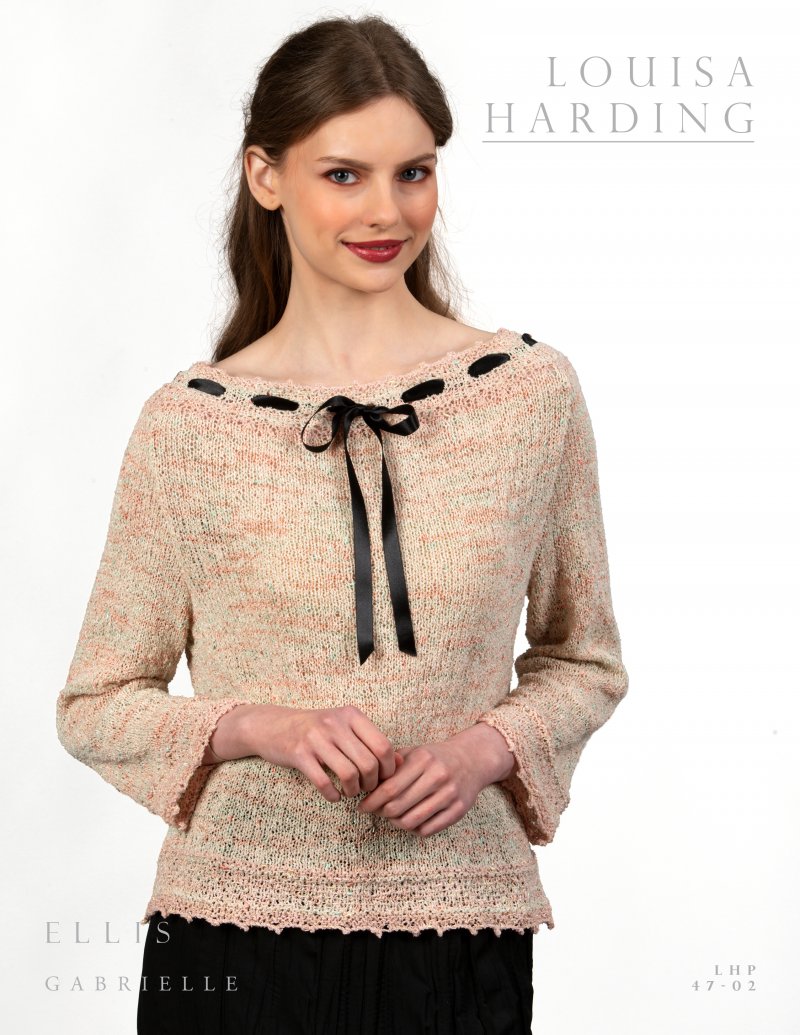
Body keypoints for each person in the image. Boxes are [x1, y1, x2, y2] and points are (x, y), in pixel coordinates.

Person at [55, 14, 629, 1035]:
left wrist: (486, 749)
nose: (385, 211)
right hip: (230, 937)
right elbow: (96, 703)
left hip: (461, 934)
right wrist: (256, 726)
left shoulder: (527, 397)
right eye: (343, 175)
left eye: (413, 173)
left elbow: (582, 659)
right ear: (265, 176)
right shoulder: (190, 427)